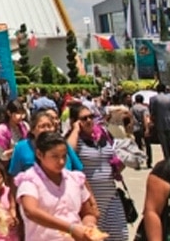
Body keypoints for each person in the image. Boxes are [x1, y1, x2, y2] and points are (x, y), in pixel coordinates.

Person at [15, 132, 100, 241]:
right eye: (54, 156)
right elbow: (31, 211)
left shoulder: (74, 179)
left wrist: (89, 226)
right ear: (39, 154)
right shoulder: (30, 181)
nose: (61, 162)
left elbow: (88, 212)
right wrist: (70, 228)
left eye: (64, 156)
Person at [65, 103, 127, 241]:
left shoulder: (103, 135)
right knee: (95, 237)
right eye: (84, 118)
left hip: (111, 196)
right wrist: (75, 130)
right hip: (90, 201)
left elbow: (113, 159)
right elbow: (68, 152)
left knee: (120, 236)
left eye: (91, 117)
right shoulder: (75, 139)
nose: (88, 120)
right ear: (75, 121)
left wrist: (121, 164)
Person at [8, 109, 82, 177]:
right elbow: (14, 177)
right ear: (33, 130)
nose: (46, 129)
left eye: (49, 126)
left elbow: (79, 171)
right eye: (42, 126)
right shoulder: (21, 148)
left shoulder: (63, 145)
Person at [148, 83, 170, 160]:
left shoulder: (154, 99)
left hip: (160, 123)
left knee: (164, 143)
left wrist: (152, 121)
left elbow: (153, 112)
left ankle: (167, 158)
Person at [130, 93, 153, 169]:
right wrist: (147, 129)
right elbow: (145, 118)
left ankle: (137, 163)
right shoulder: (144, 108)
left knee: (137, 146)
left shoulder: (132, 108)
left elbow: (131, 119)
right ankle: (149, 162)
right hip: (143, 127)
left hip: (136, 128)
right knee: (147, 145)